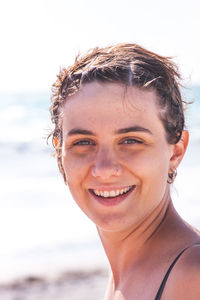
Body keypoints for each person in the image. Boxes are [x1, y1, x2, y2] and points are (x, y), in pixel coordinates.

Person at [49, 43, 200, 299]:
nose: (105, 170)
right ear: (60, 154)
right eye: (84, 142)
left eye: (131, 140)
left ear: (175, 151)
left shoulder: (192, 277)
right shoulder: (125, 273)